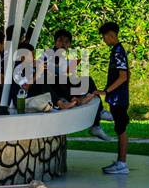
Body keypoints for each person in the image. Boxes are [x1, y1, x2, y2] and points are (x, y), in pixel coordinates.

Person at [39, 28, 109, 141]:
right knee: (62, 79)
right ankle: (72, 100)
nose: (63, 44)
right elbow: (44, 71)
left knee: (88, 80)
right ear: (55, 42)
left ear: (69, 45)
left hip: (63, 84)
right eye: (60, 40)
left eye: (66, 42)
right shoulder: (48, 54)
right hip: (52, 87)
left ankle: (97, 121)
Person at [98, 21, 130, 174]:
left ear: (111, 35)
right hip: (116, 98)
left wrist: (106, 91)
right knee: (119, 127)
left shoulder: (118, 51)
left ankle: (122, 164)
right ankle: (120, 161)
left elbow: (123, 76)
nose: (103, 40)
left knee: (121, 128)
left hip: (119, 98)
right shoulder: (116, 50)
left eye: (104, 37)